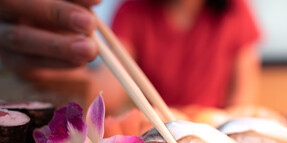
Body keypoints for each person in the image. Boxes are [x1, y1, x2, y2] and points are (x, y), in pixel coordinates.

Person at [0, 0, 260, 114]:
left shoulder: (236, 10)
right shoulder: (131, 11)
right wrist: (40, 64)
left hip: (212, 130)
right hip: (156, 134)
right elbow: (110, 92)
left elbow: (243, 99)